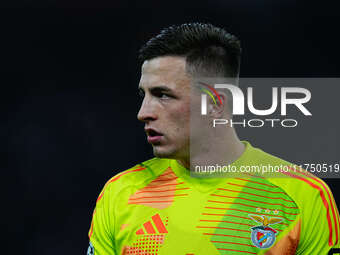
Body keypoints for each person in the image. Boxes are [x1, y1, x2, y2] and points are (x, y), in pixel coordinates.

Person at [87, 23, 340, 255]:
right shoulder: (120, 194)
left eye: (162, 95)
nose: (143, 113)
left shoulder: (303, 197)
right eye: (143, 94)